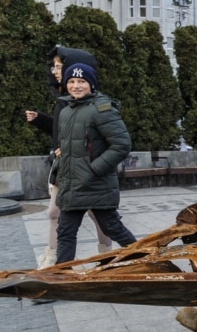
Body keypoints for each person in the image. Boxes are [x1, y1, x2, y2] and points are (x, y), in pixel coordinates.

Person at [25, 46, 113, 268]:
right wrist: (40, 120)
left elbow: (104, 138)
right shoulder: (64, 101)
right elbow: (61, 133)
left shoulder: (92, 103)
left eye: (59, 66)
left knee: (101, 217)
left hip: (84, 168)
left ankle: (107, 257)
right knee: (55, 213)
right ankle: (53, 260)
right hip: (63, 167)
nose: (55, 71)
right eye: (53, 66)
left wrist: (75, 151)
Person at [54, 62, 137, 264]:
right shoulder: (66, 110)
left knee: (112, 227)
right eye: (71, 81)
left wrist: (92, 169)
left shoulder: (102, 108)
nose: (76, 86)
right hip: (72, 184)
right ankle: (60, 276)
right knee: (65, 231)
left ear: (91, 84)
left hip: (95, 183)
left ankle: (149, 261)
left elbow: (121, 145)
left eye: (82, 81)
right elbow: (74, 145)